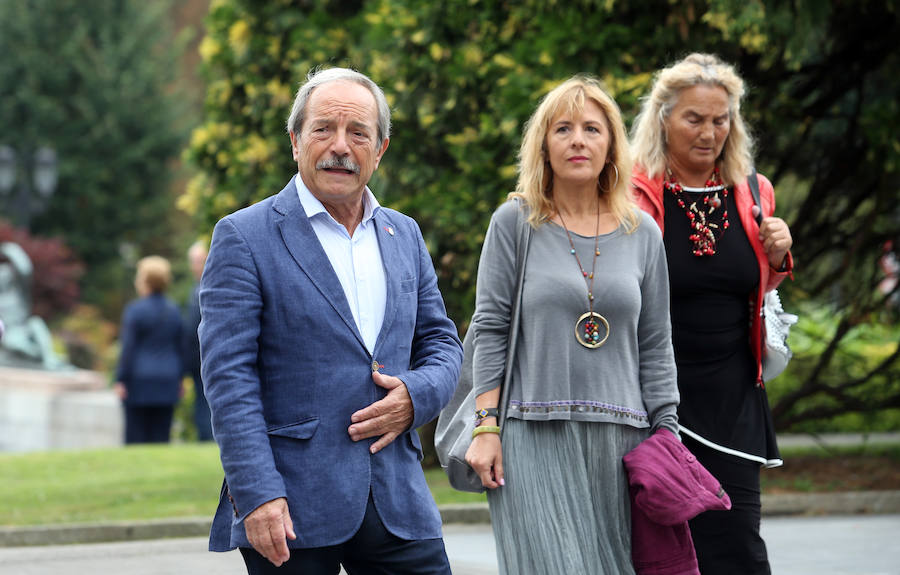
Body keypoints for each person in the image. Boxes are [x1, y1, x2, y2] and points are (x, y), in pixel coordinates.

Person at [199, 67, 463, 574]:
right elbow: (228, 379)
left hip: (398, 501)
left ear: (380, 149)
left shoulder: (403, 234)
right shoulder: (244, 237)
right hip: (291, 508)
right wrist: (256, 493)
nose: (340, 146)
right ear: (296, 140)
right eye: (323, 129)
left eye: (358, 133)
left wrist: (415, 396)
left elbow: (442, 344)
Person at [464, 75, 680, 574]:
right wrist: (486, 427)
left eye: (591, 129)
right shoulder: (514, 223)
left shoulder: (642, 232)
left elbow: (656, 341)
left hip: (624, 440)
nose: (578, 140)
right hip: (531, 435)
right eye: (563, 129)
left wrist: (667, 431)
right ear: (544, 145)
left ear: (611, 146)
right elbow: (491, 328)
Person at [630, 53, 794, 574]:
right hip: (659, 396)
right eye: (694, 118)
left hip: (734, 396)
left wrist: (777, 255)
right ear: (664, 120)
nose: (709, 132)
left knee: (739, 544)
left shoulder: (754, 192)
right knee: (672, 549)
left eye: (720, 119)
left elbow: (753, 286)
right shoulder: (635, 193)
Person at [114, 256, 184, 444]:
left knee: (136, 439)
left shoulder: (135, 311)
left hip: (139, 381)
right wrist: (180, 378)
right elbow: (180, 347)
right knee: (161, 439)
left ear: (144, 281)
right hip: (168, 379)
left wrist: (121, 378)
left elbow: (128, 348)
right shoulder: (174, 311)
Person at [184, 241, 212, 441]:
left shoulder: (210, 286)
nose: (196, 266)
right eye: (194, 261)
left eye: (199, 261)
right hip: (197, 362)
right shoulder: (195, 289)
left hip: (208, 359)